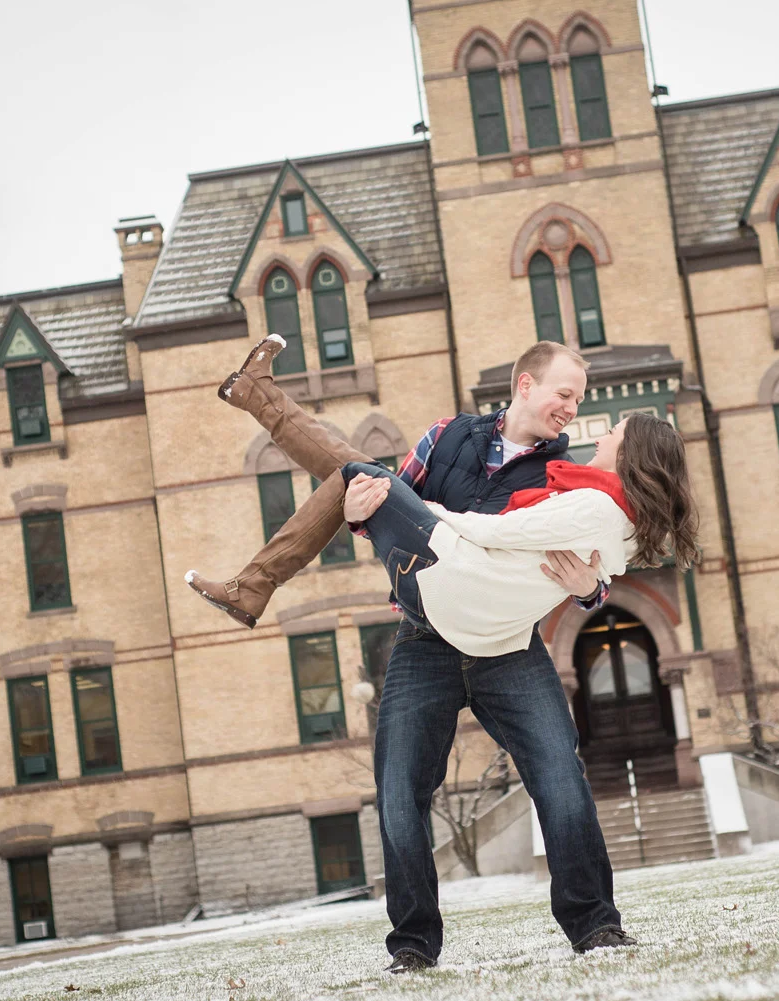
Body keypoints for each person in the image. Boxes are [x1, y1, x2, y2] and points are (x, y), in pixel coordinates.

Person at [187, 336, 696, 971]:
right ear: (525, 385)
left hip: (509, 647)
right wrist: (354, 513)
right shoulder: (446, 436)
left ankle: (595, 926)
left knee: (561, 779)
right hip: (425, 635)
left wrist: (589, 590)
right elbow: (389, 504)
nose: (572, 410)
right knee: (399, 791)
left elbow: (591, 551)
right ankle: (413, 947)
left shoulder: (566, 473)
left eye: (581, 400)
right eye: (565, 395)